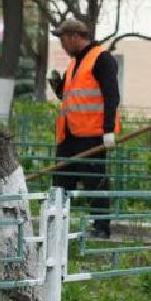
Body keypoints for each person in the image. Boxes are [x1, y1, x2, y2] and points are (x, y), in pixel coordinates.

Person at [48, 18, 120, 238]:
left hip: (92, 135)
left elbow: (111, 96)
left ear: (75, 37)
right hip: (69, 135)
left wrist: (108, 130)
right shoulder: (74, 63)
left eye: (63, 40)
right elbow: (70, 96)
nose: (61, 45)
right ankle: (56, 228)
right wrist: (58, 87)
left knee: (94, 182)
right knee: (61, 182)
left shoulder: (102, 59)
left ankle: (101, 228)